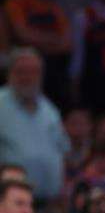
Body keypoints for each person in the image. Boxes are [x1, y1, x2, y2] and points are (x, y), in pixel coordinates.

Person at [0, 48, 70, 203]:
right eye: (21, 71)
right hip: (8, 207)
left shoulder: (50, 110)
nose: (27, 77)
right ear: (9, 73)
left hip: (50, 204)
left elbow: (62, 152)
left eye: (33, 72)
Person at [3, 0, 71, 105]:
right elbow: (23, 35)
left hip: (53, 75)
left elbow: (66, 43)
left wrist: (38, 42)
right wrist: (53, 39)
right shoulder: (15, 3)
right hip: (20, 76)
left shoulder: (54, 8)